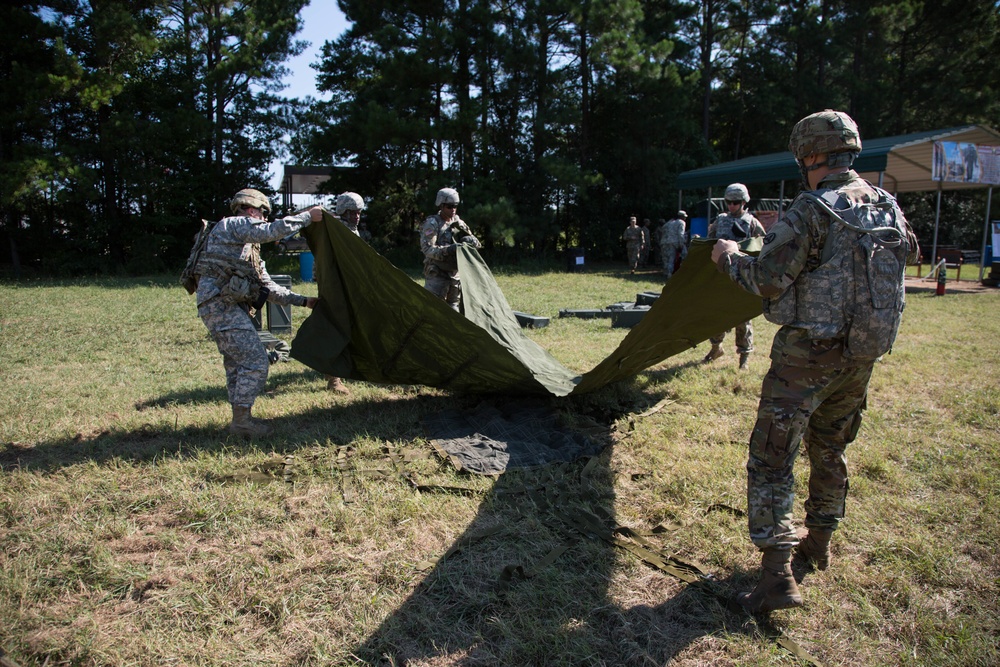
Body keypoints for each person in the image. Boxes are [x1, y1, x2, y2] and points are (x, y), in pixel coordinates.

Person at [710, 110, 918, 613]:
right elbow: (906, 253)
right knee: (830, 447)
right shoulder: (886, 204)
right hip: (860, 355)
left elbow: (767, 281)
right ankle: (818, 543)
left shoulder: (813, 208)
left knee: (772, 458)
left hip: (806, 359)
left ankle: (776, 578)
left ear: (810, 156)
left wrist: (728, 257)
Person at [192, 188, 323, 437]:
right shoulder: (233, 225)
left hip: (225, 307)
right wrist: (307, 217)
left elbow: (266, 287)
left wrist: (304, 301)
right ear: (253, 209)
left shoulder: (247, 248)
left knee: (237, 364)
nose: (264, 219)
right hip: (222, 307)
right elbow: (270, 231)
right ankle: (242, 422)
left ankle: (240, 419)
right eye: (263, 214)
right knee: (255, 362)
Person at [704, 183, 766, 369]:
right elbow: (709, 243)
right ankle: (716, 348)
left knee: (742, 319)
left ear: (744, 202)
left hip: (742, 276)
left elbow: (764, 245)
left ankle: (744, 358)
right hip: (721, 276)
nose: (731, 206)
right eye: (729, 202)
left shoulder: (752, 222)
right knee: (717, 314)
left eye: (735, 202)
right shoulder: (720, 220)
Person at [322, 191, 366, 395]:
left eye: (358, 212)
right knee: (335, 330)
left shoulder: (351, 230)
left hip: (351, 287)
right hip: (336, 288)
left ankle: (344, 369)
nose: (356, 216)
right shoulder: (335, 230)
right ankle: (334, 380)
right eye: (352, 212)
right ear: (343, 212)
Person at [420, 187, 481, 311]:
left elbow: (476, 243)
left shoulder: (458, 222)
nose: (453, 209)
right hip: (437, 273)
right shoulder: (433, 223)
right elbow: (427, 249)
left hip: (455, 274)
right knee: (431, 308)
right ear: (441, 205)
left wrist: (471, 241)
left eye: (455, 206)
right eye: (449, 206)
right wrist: (448, 250)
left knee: (454, 308)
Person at [659, 211, 688, 280]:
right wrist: (681, 245)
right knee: (681, 256)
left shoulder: (669, 223)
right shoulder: (681, 222)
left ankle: (666, 273)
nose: (685, 218)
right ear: (681, 217)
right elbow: (680, 234)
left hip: (665, 242)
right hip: (675, 242)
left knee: (666, 259)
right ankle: (672, 274)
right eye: (684, 217)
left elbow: (663, 230)